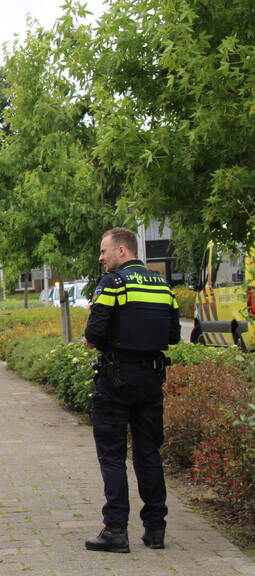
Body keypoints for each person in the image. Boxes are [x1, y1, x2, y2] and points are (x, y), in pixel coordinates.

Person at [83, 227, 180, 553]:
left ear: (121, 251)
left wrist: (94, 336)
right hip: (151, 379)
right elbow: (173, 335)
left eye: (104, 251)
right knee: (148, 452)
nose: (101, 258)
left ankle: (116, 530)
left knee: (112, 454)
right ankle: (155, 529)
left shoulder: (113, 283)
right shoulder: (163, 285)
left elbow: (94, 335)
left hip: (115, 380)